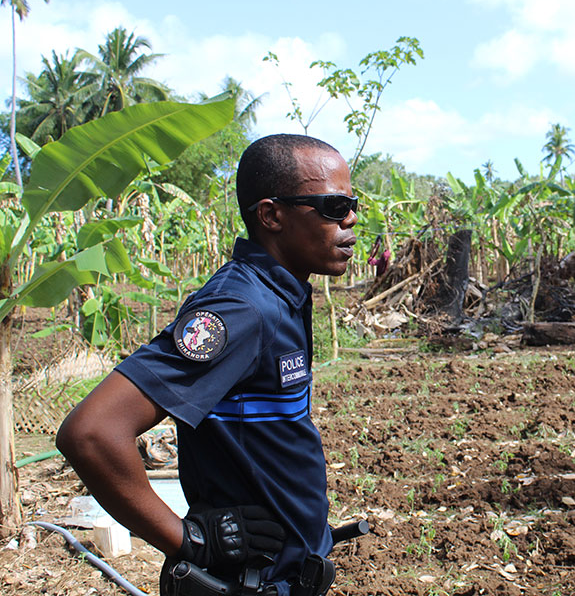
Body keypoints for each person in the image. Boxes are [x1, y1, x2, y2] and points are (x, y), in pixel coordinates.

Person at [56, 134, 359, 596]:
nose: (351, 219)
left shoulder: (282, 296)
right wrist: (189, 541)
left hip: (284, 574)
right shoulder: (241, 309)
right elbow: (92, 433)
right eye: (334, 206)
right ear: (271, 215)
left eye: (353, 203)